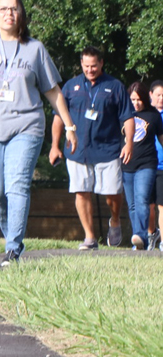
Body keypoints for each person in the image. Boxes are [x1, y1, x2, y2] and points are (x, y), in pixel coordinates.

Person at [0, 0, 77, 265]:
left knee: (17, 186)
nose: (8, 13)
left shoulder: (35, 49)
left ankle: (13, 248)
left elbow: (52, 91)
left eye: (14, 9)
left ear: (21, 15)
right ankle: (12, 239)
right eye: (2, 9)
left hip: (26, 126)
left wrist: (69, 126)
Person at [50, 47, 134, 250]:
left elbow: (128, 117)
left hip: (108, 149)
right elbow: (59, 118)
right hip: (77, 150)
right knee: (81, 192)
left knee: (112, 193)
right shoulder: (70, 87)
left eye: (94, 66)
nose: (90, 70)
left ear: (101, 63)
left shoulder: (115, 86)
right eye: (86, 66)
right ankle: (90, 238)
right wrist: (54, 146)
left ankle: (115, 220)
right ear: (81, 64)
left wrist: (129, 142)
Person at [122, 82, 162, 250]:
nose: (136, 103)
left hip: (147, 163)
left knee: (142, 199)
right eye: (132, 99)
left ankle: (139, 234)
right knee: (132, 205)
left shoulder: (153, 115)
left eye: (139, 99)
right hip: (126, 164)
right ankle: (139, 239)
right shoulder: (123, 113)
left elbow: (161, 138)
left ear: (145, 98)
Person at [148, 80, 163, 251]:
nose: (161, 98)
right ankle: (152, 234)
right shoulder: (145, 114)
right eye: (158, 95)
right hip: (146, 166)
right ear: (151, 95)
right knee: (148, 206)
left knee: (162, 205)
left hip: (162, 167)